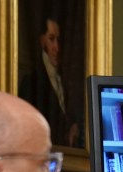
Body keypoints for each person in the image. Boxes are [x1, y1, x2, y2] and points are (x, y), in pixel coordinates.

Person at [18, 16, 79, 148]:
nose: (56, 47)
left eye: (58, 40)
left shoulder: (64, 80)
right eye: (51, 39)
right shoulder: (30, 83)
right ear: (42, 41)